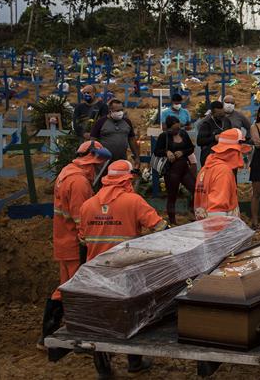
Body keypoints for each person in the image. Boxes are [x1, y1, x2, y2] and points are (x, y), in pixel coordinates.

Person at [79, 159, 165, 378]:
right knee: (133, 317)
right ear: (127, 179)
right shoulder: (134, 201)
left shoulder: (87, 205)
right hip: (128, 272)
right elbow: (160, 227)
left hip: (97, 272)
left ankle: (103, 370)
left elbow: (82, 239)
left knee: (101, 320)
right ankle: (134, 362)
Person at [40, 141, 111, 349]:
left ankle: (48, 335)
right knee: (74, 289)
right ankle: (58, 335)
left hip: (63, 239)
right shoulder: (79, 182)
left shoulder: (66, 173)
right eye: (97, 166)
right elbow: (82, 218)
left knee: (65, 288)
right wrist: (87, 242)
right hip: (73, 242)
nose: (97, 170)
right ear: (91, 162)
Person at [194, 128, 252, 220]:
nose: (240, 156)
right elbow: (217, 209)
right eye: (239, 152)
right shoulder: (223, 171)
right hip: (220, 228)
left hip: (205, 226)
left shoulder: (206, 168)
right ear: (233, 151)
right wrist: (220, 233)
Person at [153, 116, 196, 225]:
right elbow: (157, 151)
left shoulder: (183, 134)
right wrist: (166, 152)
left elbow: (191, 148)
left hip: (184, 169)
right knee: (172, 195)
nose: (177, 131)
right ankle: (172, 221)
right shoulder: (164, 136)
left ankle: (192, 211)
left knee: (196, 190)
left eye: (178, 128)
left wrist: (182, 152)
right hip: (171, 171)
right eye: (174, 129)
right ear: (168, 128)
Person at [90, 99, 140, 165]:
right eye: (117, 111)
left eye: (121, 110)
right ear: (110, 111)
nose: (120, 112)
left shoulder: (127, 122)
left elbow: (132, 139)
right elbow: (93, 140)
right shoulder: (101, 122)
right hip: (104, 161)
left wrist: (137, 157)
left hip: (122, 160)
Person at [196, 101, 229, 167]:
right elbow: (199, 141)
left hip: (225, 155)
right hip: (210, 156)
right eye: (218, 114)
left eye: (222, 114)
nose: (221, 116)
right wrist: (214, 138)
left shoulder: (227, 121)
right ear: (212, 113)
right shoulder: (206, 124)